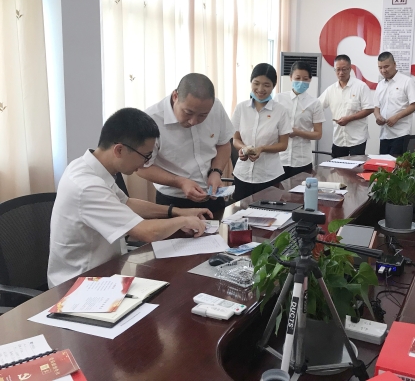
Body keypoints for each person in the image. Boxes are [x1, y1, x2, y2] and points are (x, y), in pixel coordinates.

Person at [48, 108, 212, 287]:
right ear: (119, 150)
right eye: (145, 156)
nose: (146, 163)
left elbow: (127, 203)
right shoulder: (87, 186)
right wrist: (183, 221)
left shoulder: (89, 167)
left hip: (106, 271)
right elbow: (147, 232)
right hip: (78, 285)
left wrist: (178, 211)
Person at [137, 73, 234, 212]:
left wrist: (216, 171)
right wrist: (180, 182)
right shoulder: (151, 120)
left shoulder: (216, 107)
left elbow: (223, 144)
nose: (194, 121)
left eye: (203, 115)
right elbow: (141, 167)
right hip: (173, 201)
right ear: (175, 96)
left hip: (212, 196)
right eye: (188, 112)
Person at [231, 63, 291, 201]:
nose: (260, 89)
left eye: (266, 85)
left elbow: (283, 145)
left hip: (269, 176)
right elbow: (235, 139)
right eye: (256, 83)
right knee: (241, 211)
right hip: (242, 175)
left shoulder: (280, 111)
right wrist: (243, 148)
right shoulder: (241, 108)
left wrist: (262, 148)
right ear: (251, 82)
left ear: (273, 86)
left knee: (268, 213)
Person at [274, 61, 325, 179]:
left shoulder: (314, 103)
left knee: (300, 190)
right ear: (290, 78)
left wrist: (298, 132)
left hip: (302, 160)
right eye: (297, 78)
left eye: (305, 79)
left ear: (310, 80)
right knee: (277, 190)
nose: (301, 82)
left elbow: (318, 134)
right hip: (280, 158)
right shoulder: (279, 99)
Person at [319, 55, 374, 158]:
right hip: (339, 138)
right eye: (338, 69)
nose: (341, 73)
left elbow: (369, 109)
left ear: (350, 69)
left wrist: (349, 118)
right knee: (337, 166)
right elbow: (318, 106)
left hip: (357, 139)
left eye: (344, 69)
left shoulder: (361, 86)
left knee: (356, 166)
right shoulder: (331, 90)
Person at [374, 52, 415, 155]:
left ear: (394, 64)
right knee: (383, 163)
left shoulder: (407, 81)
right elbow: (376, 106)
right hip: (384, 134)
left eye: (386, 66)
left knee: (397, 164)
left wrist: (396, 117)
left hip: (401, 134)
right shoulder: (380, 84)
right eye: (380, 67)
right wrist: (378, 117)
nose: (383, 70)